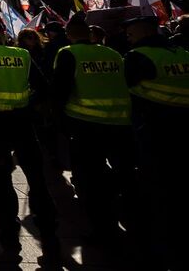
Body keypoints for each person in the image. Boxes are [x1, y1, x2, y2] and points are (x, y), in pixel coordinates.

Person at [0, 16, 59, 257]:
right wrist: (26, 104)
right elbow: (44, 88)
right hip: (22, 123)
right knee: (37, 180)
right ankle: (50, 235)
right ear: (3, 33)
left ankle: (10, 240)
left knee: (1, 182)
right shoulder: (23, 55)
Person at [50, 13, 135, 239]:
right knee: (125, 172)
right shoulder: (113, 54)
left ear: (68, 35)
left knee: (90, 177)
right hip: (121, 121)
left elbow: (60, 89)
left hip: (85, 124)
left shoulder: (68, 54)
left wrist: (59, 121)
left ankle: (102, 225)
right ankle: (134, 214)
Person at [123, 14, 189, 270]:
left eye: (131, 34)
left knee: (162, 194)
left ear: (140, 34)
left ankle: (166, 247)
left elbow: (124, 88)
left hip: (156, 130)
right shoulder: (183, 53)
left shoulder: (138, 57)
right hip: (183, 127)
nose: (128, 39)